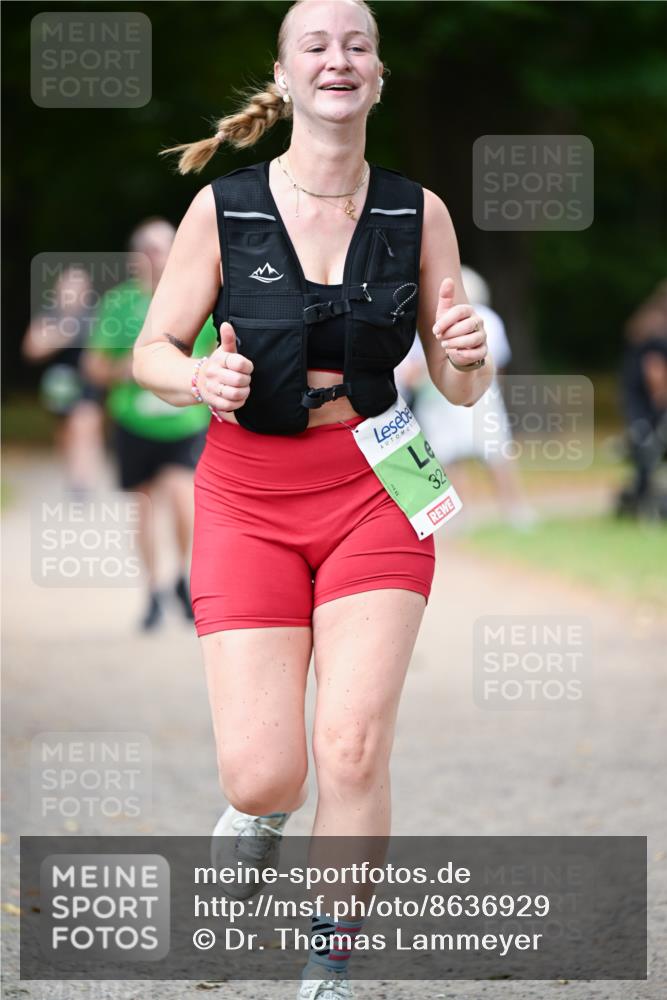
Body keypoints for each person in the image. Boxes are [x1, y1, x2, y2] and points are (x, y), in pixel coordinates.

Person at [132, 1, 493, 994]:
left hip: (381, 483)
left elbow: (458, 380)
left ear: (377, 79)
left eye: (358, 46)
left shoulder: (416, 213)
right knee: (265, 767)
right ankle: (257, 810)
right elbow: (150, 351)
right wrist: (195, 379)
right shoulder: (226, 207)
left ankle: (330, 957)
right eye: (316, 45)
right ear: (285, 79)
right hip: (248, 493)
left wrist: (464, 364)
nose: (340, 59)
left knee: (353, 739)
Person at [84, 219, 217, 630]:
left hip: (184, 422)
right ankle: (153, 591)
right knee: (142, 509)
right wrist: (133, 369)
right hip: (134, 421)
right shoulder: (120, 304)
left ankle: (181, 576)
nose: (158, 256)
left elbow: (216, 352)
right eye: (151, 249)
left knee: (182, 500)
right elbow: (94, 367)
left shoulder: (195, 296)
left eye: (165, 247)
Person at [396, 265, 537, 528]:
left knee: (491, 453)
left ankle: (509, 509)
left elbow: (491, 361)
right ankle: (477, 512)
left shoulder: (483, 320)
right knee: (453, 456)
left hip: (476, 395)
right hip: (442, 400)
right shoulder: (429, 323)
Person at [22, 265, 106, 496]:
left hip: (88, 381)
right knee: (66, 433)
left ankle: (83, 481)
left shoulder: (95, 316)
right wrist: (61, 334)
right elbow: (31, 348)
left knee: (86, 424)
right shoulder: (51, 315)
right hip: (60, 386)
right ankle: (74, 474)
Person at [616, 279, 667, 519]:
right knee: (650, 451)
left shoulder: (646, 324)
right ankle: (645, 501)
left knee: (646, 455)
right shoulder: (658, 332)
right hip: (650, 410)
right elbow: (655, 375)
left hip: (637, 408)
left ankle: (638, 497)